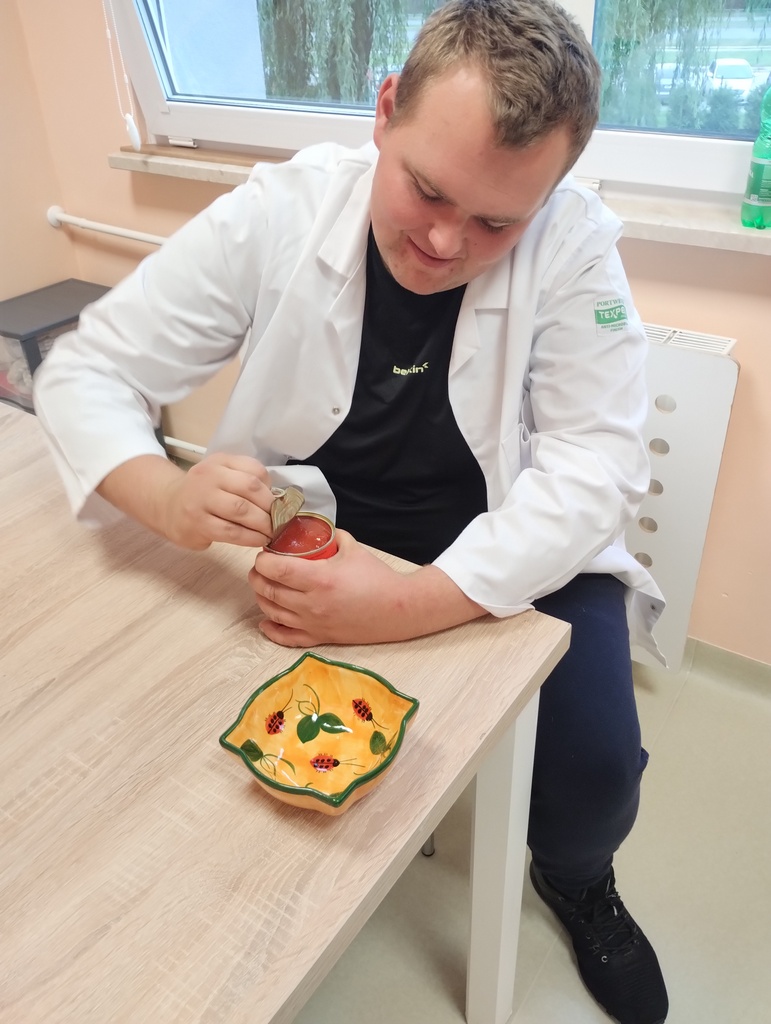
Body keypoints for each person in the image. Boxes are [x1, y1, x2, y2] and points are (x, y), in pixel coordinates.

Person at [33, 1, 669, 1021]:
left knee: (594, 772)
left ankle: (578, 877)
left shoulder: (577, 250)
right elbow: (86, 373)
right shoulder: (279, 211)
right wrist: (166, 494)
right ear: (385, 110)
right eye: (428, 188)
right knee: (181, 741)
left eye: (497, 222)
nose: (445, 241)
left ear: (549, 196)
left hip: (514, 547)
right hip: (322, 526)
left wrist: (410, 604)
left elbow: (595, 467)